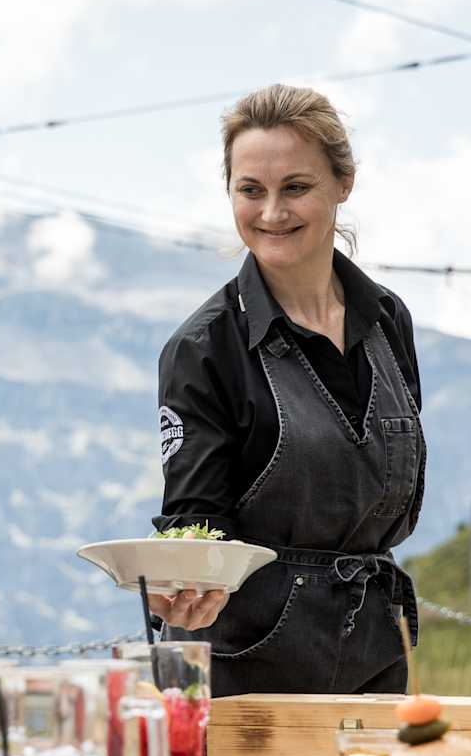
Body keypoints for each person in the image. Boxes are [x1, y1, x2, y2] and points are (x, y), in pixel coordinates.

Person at [155, 84, 426, 697]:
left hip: (374, 656)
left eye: (296, 187)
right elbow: (193, 521)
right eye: (251, 190)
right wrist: (188, 584)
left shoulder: (389, 320)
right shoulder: (203, 349)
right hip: (246, 668)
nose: (272, 213)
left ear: (343, 183)